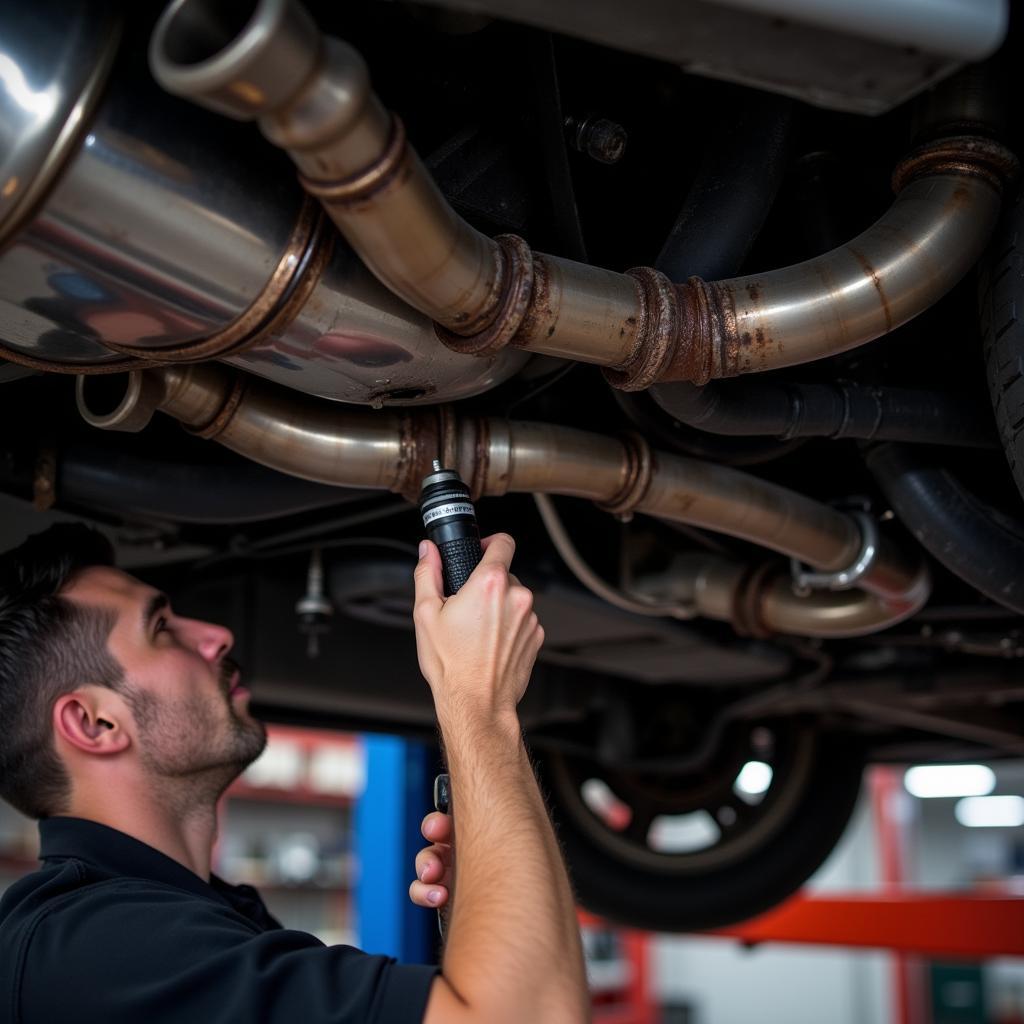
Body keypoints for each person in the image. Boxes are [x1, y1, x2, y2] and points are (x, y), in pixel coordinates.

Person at [0, 523, 589, 1023]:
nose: (215, 635)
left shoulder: (193, 920)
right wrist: (477, 702)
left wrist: (491, 910)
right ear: (94, 724)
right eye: (161, 629)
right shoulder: (94, 948)